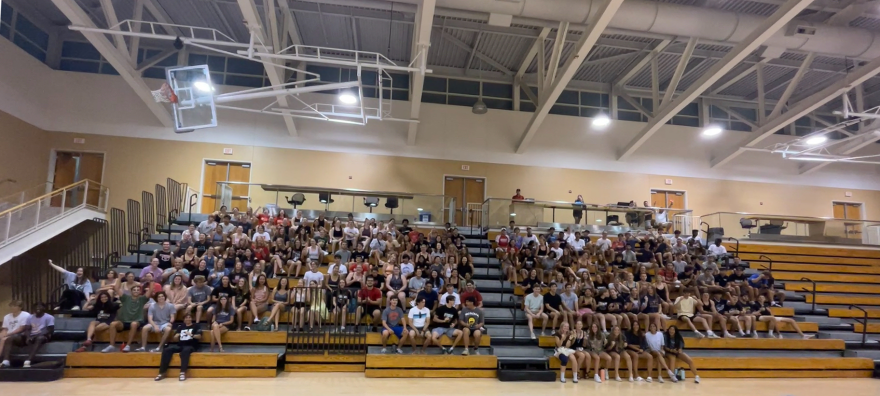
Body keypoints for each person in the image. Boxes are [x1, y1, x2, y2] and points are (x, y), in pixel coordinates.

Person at [0, 303, 53, 368]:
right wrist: (28, 337)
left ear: (44, 308)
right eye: (36, 307)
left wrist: (38, 335)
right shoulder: (30, 317)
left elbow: (50, 330)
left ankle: (28, 360)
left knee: (39, 338)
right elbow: (27, 329)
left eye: (40, 307)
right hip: (31, 336)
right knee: (10, 339)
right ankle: (6, 361)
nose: (37, 309)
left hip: (42, 336)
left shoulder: (49, 317)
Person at [103, 283, 151, 352]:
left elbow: (150, 290)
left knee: (134, 324)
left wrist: (151, 281)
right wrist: (119, 278)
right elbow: (116, 288)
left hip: (136, 322)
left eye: (138, 290)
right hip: (124, 321)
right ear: (131, 291)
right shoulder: (126, 298)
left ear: (140, 292)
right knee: (113, 324)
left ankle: (128, 345)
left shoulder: (142, 299)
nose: (136, 291)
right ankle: (111, 345)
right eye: (134, 290)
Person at [155, 312, 201, 381]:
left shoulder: (196, 326)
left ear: (191, 319)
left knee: (185, 351)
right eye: (186, 318)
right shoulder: (181, 327)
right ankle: (162, 373)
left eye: (189, 317)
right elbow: (174, 338)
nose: (188, 319)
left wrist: (191, 335)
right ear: (184, 319)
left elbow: (199, 336)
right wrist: (176, 336)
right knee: (167, 350)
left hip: (191, 345)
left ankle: (182, 373)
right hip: (180, 345)